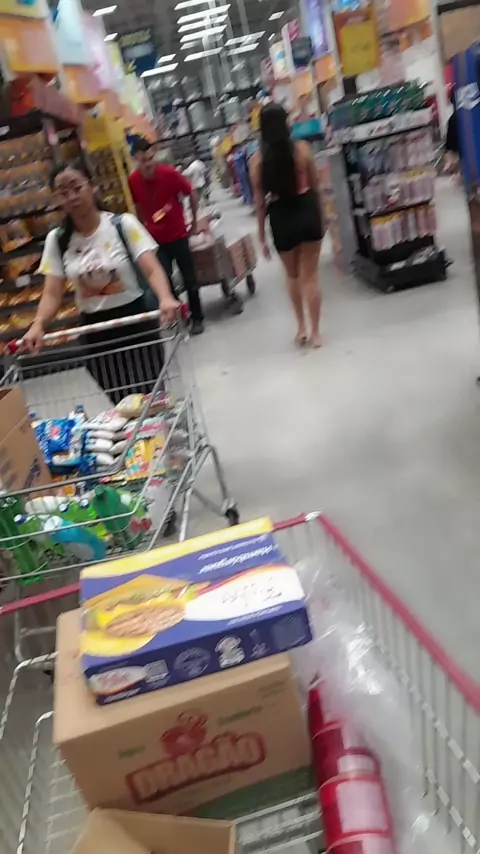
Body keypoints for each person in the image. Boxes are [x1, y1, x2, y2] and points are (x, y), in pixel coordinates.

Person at [23, 163, 179, 402]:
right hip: (95, 331)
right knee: (123, 403)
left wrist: (165, 298)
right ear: (57, 199)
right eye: (63, 193)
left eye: (76, 188)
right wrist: (38, 324)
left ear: (92, 187)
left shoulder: (122, 224)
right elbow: (52, 292)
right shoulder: (58, 240)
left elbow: (151, 269)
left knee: (149, 398)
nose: (71, 197)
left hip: (136, 322)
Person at [250, 103, 324, 348]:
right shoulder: (302, 150)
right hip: (306, 209)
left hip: (280, 216)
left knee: (292, 276)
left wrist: (261, 236)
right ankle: (316, 334)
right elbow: (315, 186)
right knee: (310, 277)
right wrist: (322, 215)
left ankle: (301, 328)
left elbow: (260, 203)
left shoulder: (257, 162)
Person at [129, 139, 205, 336]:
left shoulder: (169, 173)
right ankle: (181, 315)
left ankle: (197, 318)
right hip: (155, 240)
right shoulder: (133, 180)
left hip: (178, 234)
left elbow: (190, 193)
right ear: (135, 160)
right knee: (165, 281)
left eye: (150, 158)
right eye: (143, 160)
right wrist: (142, 229)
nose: (148, 164)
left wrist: (194, 222)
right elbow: (138, 206)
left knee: (189, 278)